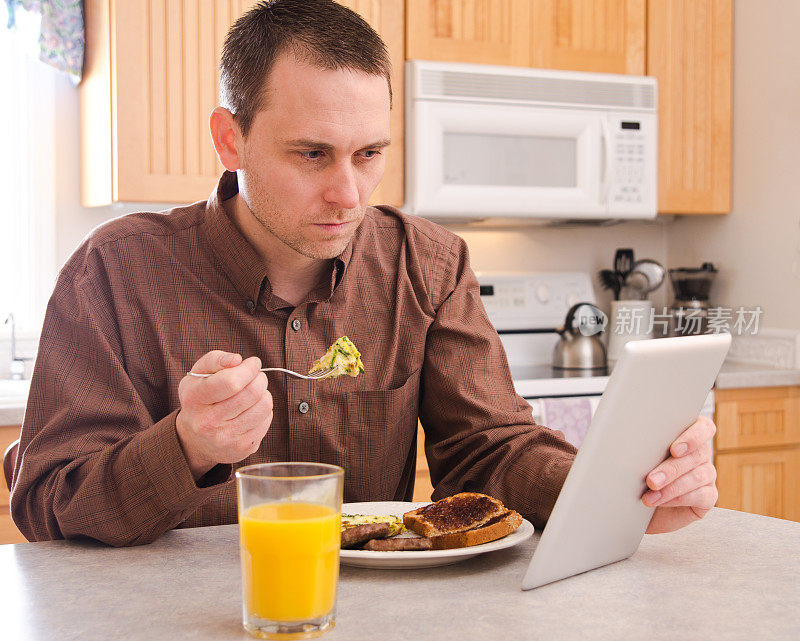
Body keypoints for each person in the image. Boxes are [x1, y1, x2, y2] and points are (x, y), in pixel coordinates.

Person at [10, 0, 718, 546]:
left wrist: (626, 491)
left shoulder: (428, 266)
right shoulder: (113, 274)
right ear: (232, 140)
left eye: (370, 153)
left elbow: (488, 450)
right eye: (312, 154)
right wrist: (186, 446)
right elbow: (45, 502)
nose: (350, 194)